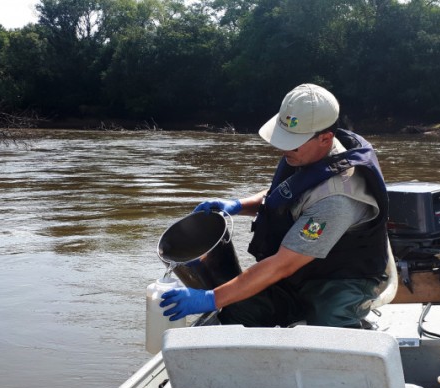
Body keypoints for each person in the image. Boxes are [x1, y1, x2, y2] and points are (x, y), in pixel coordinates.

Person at [160, 83, 390, 328]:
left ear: (325, 138)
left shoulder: (338, 199)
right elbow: (286, 193)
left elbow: (283, 264)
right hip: (304, 270)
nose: (282, 148)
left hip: (344, 278)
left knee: (327, 324)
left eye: (293, 142)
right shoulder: (308, 153)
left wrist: (211, 298)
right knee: (240, 308)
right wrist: (238, 205)